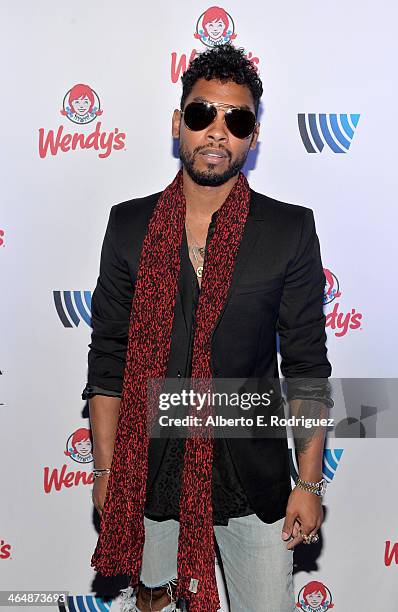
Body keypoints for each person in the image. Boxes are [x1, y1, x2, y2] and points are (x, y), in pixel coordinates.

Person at [83, 44, 333, 612]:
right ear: (179, 123)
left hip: (256, 478)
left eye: (236, 120)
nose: (217, 132)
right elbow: (108, 362)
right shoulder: (129, 225)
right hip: (150, 474)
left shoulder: (288, 230)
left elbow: (306, 367)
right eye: (202, 114)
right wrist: (106, 471)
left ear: (252, 136)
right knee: (154, 604)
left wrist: (310, 482)